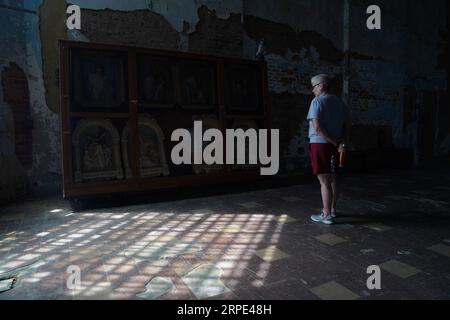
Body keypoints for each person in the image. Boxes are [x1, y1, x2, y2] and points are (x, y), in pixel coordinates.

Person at [307, 74, 350, 225]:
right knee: (333, 179)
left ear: (321, 85)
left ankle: (326, 215)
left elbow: (317, 127)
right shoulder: (340, 103)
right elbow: (346, 125)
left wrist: (332, 142)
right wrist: (340, 142)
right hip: (336, 144)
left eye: (314, 87)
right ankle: (332, 210)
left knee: (324, 180)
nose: (312, 91)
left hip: (320, 144)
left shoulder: (317, 101)